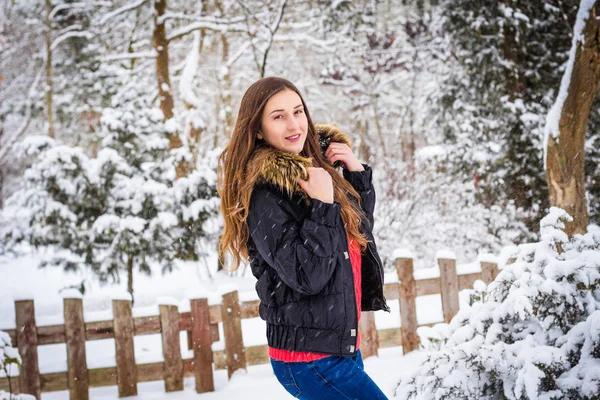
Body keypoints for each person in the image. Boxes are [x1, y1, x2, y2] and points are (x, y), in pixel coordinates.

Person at [217, 76, 390, 399]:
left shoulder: (314, 172)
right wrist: (323, 206)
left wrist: (355, 176)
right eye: (278, 116)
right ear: (257, 129)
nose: (294, 123)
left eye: (298, 112)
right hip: (310, 358)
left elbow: (356, 236)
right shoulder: (266, 195)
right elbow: (308, 275)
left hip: (337, 345)